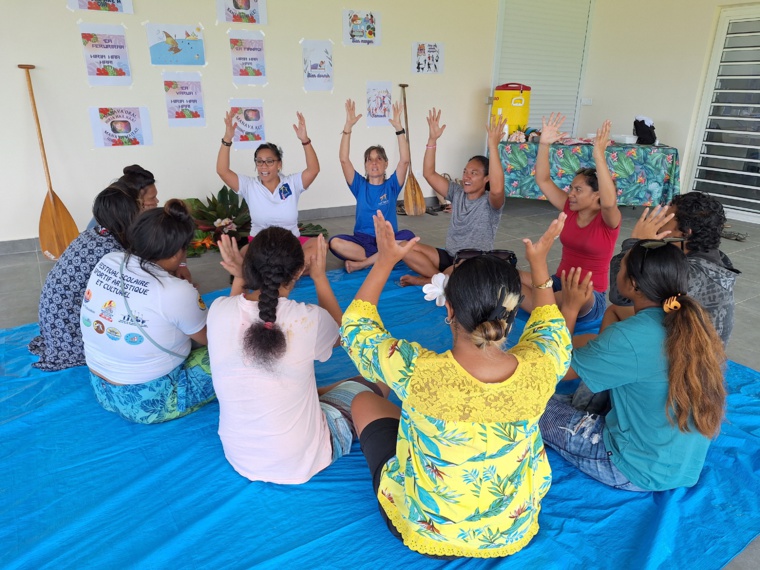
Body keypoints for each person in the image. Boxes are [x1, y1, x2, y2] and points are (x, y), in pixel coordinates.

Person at [342, 210, 572, 558]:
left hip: (427, 533)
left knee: (362, 401)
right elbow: (553, 329)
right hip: (510, 531)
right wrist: (539, 267)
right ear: (511, 318)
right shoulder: (541, 368)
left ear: (448, 310)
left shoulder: (415, 371)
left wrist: (386, 261)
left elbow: (356, 326)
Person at [540, 240, 727, 492]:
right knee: (600, 365)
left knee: (528, 401)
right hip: (679, 465)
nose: (616, 271)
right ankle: (592, 388)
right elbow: (616, 312)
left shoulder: (630, 336)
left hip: (631, 468)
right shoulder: (692, 322)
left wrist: (570, 309)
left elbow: (553, 369)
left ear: (634, 284)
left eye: (621, 267)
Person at [207, 228, 385, 484]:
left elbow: (236, 306)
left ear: (249, 268)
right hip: (300, 460)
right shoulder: (307, 319)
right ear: (299, 271)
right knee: (380, 382)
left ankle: (319, 393)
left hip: (239, 457)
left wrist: (240, 276)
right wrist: (321, 277)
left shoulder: (218, 309)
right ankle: (326, 399)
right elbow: (341, 334)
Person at [81, 200, 214, 424]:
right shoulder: (176, 292)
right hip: (148, 401)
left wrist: (179, 267)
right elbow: (212, 339)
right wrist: (239, 280)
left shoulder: (108, 260)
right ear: (176, 253)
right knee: (243, 351)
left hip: (102, 388)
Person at [28, 182, 143, 371]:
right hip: (70, 333)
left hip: (55, 324)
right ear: (127, 216)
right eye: (139, 208)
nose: (143, 212)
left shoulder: (94, 234)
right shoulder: (112, 254)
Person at [520, 114, 621, 321]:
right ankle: (538, 304)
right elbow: (543, 179)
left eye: (578, 189)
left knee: (545, 301)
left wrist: (599, 155)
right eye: (571, 188)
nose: (571, 193)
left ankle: (538, 306)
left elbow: (610, 202)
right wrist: (545, 144)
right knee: (510, 278)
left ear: (597, 195)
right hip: (559, 282)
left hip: (588, 296)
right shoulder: (569, 208)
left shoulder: (609, 221)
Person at [604, 193, 739, 346]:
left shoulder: (690, 273)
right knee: (615, 311)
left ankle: (606, 361)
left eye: (667, 218)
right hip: (690, 343)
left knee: (618, 310)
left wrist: (635, 245)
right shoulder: (710, 258)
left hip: (688, 362)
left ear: (685, 233)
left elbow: (620, 294)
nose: (659, 223)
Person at [398, 108, 507, 287]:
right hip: (450, 256)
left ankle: (436, 280)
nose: (467, 177)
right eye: (465, 172)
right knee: (404, 247)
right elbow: (429, 173)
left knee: (457, 270)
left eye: (474, 173)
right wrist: (432, 140)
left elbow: (497, 190)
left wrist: (493, 147)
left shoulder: (491, 202)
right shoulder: (457, 192)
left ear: (487, 178)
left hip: (474, 262)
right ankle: (440, 280)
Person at [216, 111, 321, 264]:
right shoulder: (249, 185)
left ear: (279, 164)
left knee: (319, 246)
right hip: (260, 245)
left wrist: (305, 141)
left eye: (269, 161)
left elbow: (313, 170)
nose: (263, 166)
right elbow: (222, 171)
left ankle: (277, 270)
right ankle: (289, 270)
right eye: (259, 161)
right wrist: (227, 139)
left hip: (290, 243)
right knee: (238, 257)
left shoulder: (292, 183)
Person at [328, 99, 416, 272]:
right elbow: (344, 160)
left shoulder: (392, 185)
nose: (374, 163)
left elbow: (405, 161)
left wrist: (399, 129)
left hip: (388, 239)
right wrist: (348, 128)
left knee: (409, 238)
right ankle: (385, 257)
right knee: (334, 243)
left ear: (385, 164)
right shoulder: (359, 185)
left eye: (378, 159)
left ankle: (363, 263)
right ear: (365, 165)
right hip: (362, 240)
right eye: (369, 159)